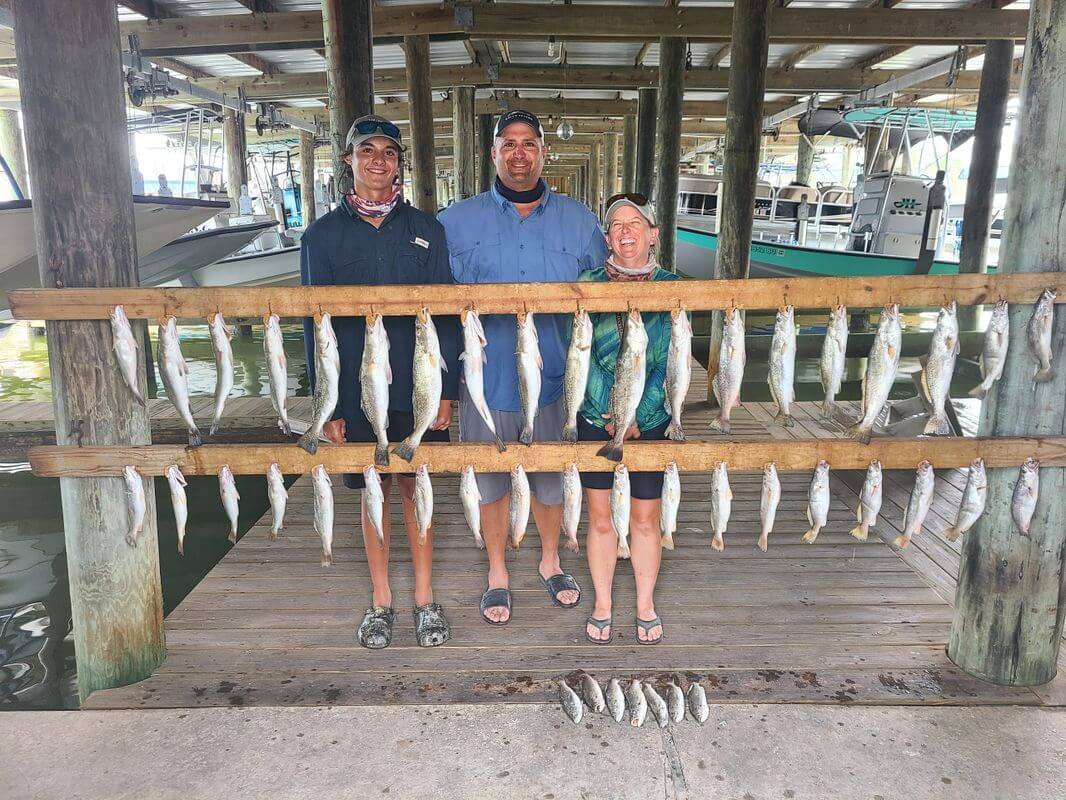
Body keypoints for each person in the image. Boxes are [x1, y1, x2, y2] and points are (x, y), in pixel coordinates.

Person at [439, 110, 609, 625]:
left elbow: (604, 297)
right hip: (481, 383)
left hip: (558, 378)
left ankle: (550, 559)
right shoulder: (454, 221)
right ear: (492, 153)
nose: (518, 153)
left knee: (551, 481)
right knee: (489, 482)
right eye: (507, 144)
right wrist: (444, 390)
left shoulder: (580, 221)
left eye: (528, 144)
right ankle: (496, 570)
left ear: (543, 153)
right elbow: (435, 309)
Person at [300, 114, 460, 649]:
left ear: (399, 163)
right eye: (366, 151)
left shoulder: (427, 230)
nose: (377, 160)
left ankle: (424, 597)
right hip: (352, 388)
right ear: (348, 161)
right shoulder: (320, 236)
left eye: (388, 152)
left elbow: (445, 317)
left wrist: (449, 390)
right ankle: (381, 600)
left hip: (418, 385)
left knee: (417, 485)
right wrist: (328, 406)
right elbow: (312, 324)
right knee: (374, 489)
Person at [578, 194, 680, 645]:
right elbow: (581, 352)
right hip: (596, 415)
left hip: (652, 416)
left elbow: (672, 361)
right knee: (599, 518)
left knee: (645, 517)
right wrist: (612, 409)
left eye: (635, 222)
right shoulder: (587, 283)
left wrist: (639, 411)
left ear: (653, 233)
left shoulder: (675, 286)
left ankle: (644, 603)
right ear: (607, 236)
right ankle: (602, 602)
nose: (625, 231)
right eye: (616, 224)